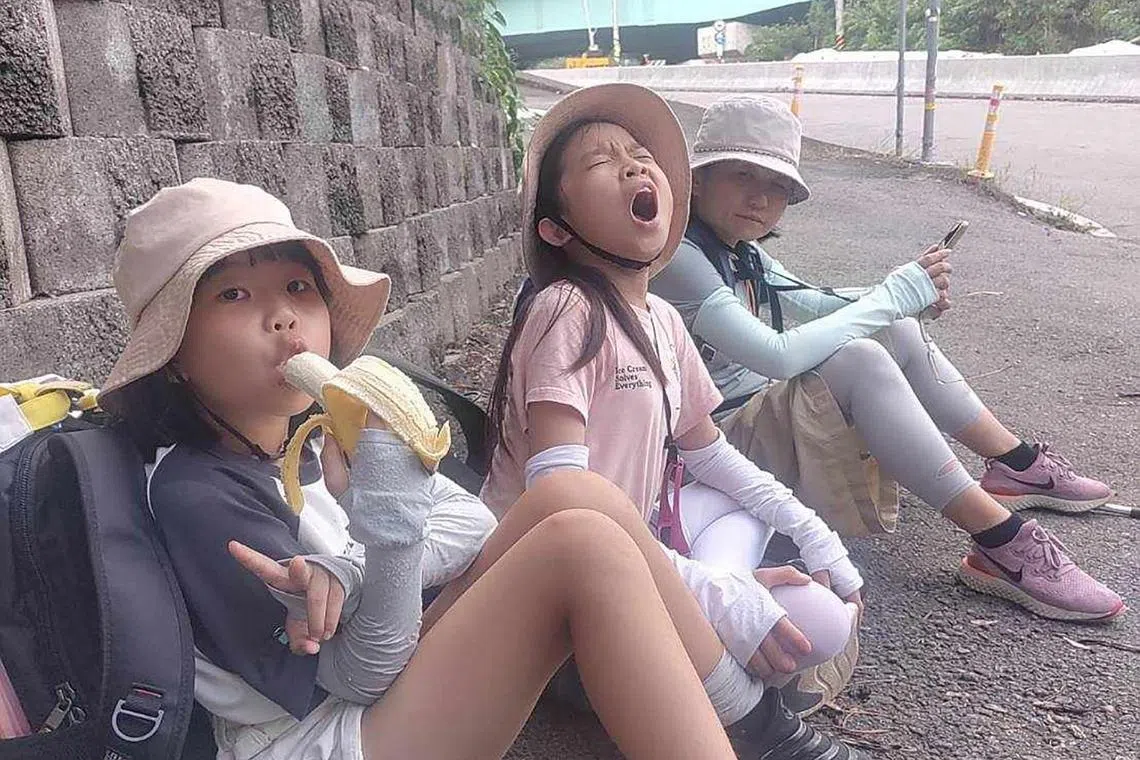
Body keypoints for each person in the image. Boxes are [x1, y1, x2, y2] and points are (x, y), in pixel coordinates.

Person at [95, 176, 777, 760]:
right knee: (582, 549)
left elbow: (472, 521)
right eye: (233, 297)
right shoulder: (198, 496)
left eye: (298, 286)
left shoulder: (306, 436)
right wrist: (388, 529)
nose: (282, 317)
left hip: (380, 671)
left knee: (573, 495)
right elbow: (359, 675)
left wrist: (361, 567)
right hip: (320, 735)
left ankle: (761, 724)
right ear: (175, 353)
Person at [481, 82, 868, 756]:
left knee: (756, 533)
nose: (635, 165)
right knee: (814, 627)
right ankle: (724, 705)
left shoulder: (660, 318)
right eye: (602, 163)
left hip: (638, 549)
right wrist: (717, 594)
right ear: (556, 229)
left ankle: (695, 636)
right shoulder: (567, 311)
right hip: (555, 576)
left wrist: (816, 537)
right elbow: (561, 509)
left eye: (640, 154)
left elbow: (711, 453)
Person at [648, 94, 1125, 623]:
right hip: (705, 455)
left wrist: (904, 295)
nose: (761, 198)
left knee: (893, 326)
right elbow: (776, 356)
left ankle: (1014, 465)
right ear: (699, 177)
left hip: (744, 424)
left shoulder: (737, 246)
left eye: (778, 185)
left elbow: (811, 299)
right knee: (858, 359)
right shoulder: (677, 257)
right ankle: (1000, 538)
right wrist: (893, 294)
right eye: (743, 174)